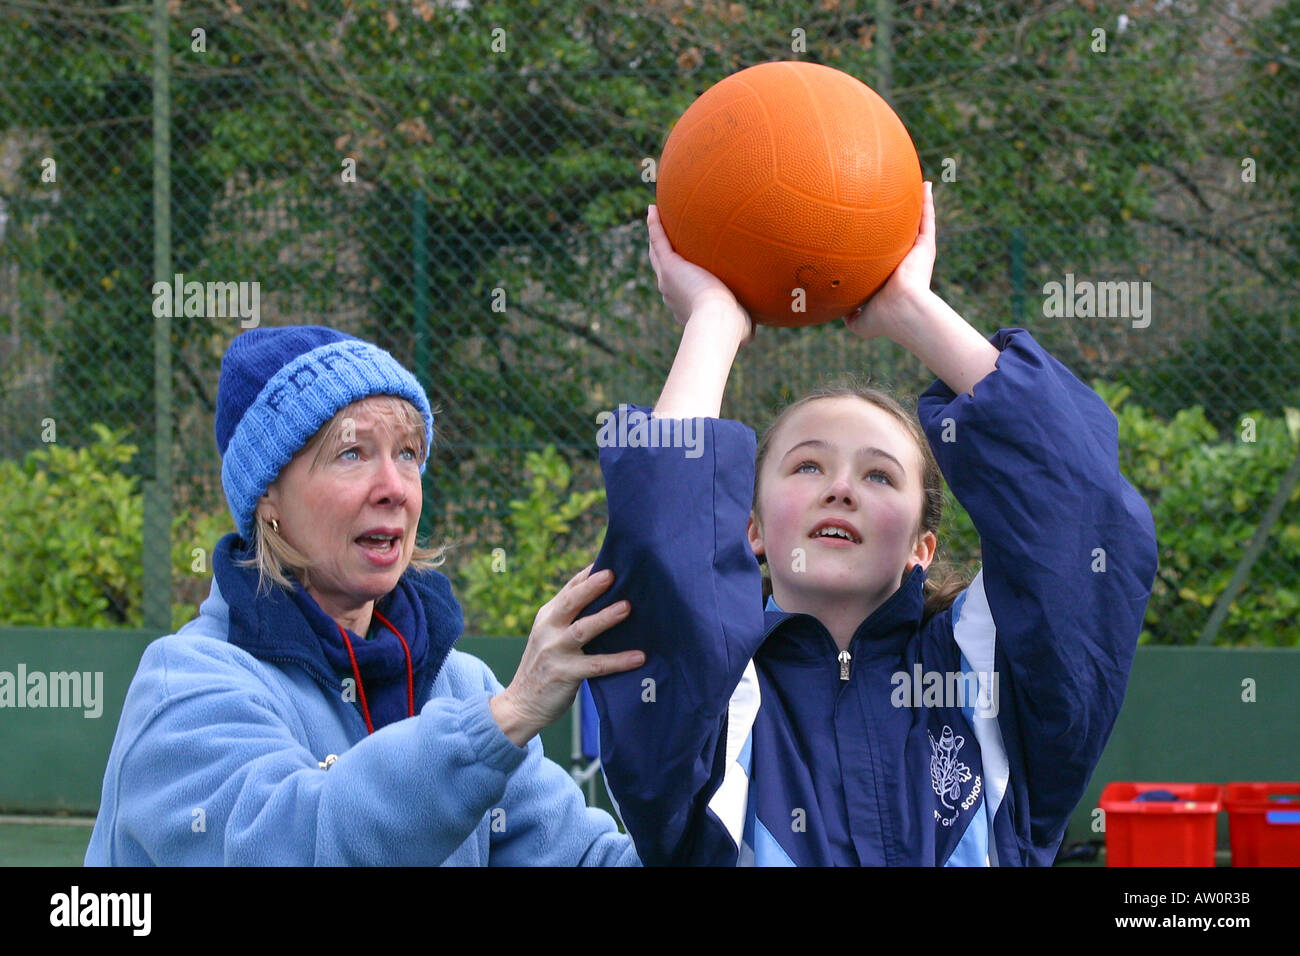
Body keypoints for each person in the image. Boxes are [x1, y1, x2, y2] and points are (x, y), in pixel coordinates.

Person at [581, 183, 1159, 866]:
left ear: (922, 545)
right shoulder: (716, 700)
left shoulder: (990, 677)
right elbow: (660, 555)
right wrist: (712, 320)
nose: (842, 489)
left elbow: (1088, 519)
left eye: (879, 475)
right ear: (753, 532)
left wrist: (912, 309)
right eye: (806, 468)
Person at [85, 325, 643, 866]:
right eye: (352, 454)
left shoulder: (460, 685)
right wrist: (506, 718)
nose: (395, 487)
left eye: (407, 452)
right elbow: (297, 848)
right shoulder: (187, 689)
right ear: (268, 498)